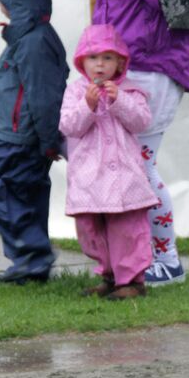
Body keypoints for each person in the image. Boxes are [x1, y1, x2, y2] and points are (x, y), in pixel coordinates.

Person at [77, 0, 189, 287]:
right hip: (129, 64)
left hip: (153, 64)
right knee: (132, 166)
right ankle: (143, 259)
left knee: (140, 167)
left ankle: (168, 260)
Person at [0, 0, 69, 284]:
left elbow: (44, 96)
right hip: (24, 137)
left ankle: (32, 253)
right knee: (26, 193)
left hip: (21, 139)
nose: (1, 4)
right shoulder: (28, 37)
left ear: (23, 1)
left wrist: (48, 140)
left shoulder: (34, 42)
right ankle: (31, 264)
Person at [59, 24, 155, 300]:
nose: (99, 65)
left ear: (120, 62)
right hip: (89, 178)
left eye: (107, 58)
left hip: (124, 179)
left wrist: (120, 100)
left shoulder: (130, 91)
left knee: (126, 228)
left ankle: (132, 280)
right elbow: (68, 126)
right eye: (92, 58)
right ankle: (109, 275)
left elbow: (142, 121)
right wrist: (86, 107)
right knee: (92, 229)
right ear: (81, 62)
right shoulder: (76, 92)